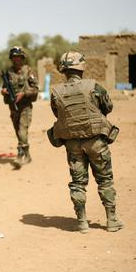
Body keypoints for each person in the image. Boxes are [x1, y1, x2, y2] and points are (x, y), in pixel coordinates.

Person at [48, 51, 123, 233]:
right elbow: (108, 107)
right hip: (96, 142)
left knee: (78, 183)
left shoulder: (56, 92)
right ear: (81, 67)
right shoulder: (94, 87)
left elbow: (58, 114)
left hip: (73, 145)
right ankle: (111, 220)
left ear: (64, 70)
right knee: (105, 180)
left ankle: (82, 222)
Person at [1, 46, 39, 168]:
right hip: (13, 107)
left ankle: (20, 155)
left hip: (25, 106)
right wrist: (4, 91)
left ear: (22, 58)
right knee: (18, 132)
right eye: (14, 57)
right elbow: (4, 87)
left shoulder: (29, 71)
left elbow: (36, 89)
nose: (16, 59)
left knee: (22, 130)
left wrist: (24, 93)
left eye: (18, 57)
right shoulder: (8, 73)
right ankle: (27, 155)